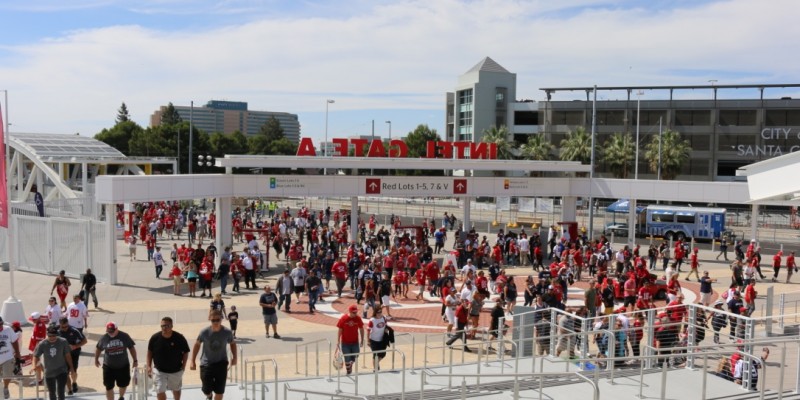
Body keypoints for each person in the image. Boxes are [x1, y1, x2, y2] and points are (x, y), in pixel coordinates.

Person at [191, 311, 237, 400]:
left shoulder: (227, 332)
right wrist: (192, 361)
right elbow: (197, 344)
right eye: (213, 320)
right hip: (206, 364)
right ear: (210, 320)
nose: (215, 322)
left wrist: (235, 357)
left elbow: (232, 343)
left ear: (221, 320)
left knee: (219, 391)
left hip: (222, 363)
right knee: (206, 389)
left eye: (218, 320)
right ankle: (209, 395)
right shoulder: (204, 332)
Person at [147, 317, 190, 400]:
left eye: (167, 326)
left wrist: (183, 366)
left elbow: (186, 352)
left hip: (176, 370)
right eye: (162, 326)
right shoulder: (154, 338)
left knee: (176, 389)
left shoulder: (179, 338)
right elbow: (149, 352)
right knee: (159, 390)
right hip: (159, 371)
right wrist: (149, 366)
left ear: (172, 326)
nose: (164, 328)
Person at [94, 322, 137, 400]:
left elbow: (131, 348)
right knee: (108, 386)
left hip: (123, 365)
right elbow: (98, 348)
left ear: (117, 329)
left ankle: (121, 397)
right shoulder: (104, 338)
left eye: (112, 331)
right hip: (108, 366)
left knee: (123, 384)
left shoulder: (124, 336)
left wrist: (135, 360)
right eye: (109, 331)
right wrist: (96, 359)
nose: (111, 333)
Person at [33, 324, 75, 400]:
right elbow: (35, 356)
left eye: (54, 336)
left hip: (61, 370)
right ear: (47, 335)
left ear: (57, 334)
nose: (52, 338)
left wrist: (71, 368)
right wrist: (34, 366)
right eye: (50, 336)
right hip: (49, 372)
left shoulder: (63, 341)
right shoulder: (42, 343)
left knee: (61, 392)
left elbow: (68, 355)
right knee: (52, 393)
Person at [56, 317, 87, 396]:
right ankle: (69, 390)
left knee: (73, 371)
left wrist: (75, 346)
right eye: (63, 327)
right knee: (65, 373)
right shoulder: (57, 332)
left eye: (66, 326)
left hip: (74, 353)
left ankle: (74, 382)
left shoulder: (74, 330)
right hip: (63, 355)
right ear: (60, 325)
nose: (65, 328)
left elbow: (84, 341)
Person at [336, 304, 366, 375]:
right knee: (347, 358)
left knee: (356, 355)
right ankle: (348, 371)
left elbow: (361, 329)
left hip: (355, 342)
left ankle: (350, 363)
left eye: (356, 312)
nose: (355, 314)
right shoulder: (343, 318)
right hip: (345, 342)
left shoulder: (358, 318)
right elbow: (340, 330)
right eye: (354, 312)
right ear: (350, 311)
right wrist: (338, 341)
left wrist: (362, 340)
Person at [0, 316, 22, 400]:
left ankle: (5, 387)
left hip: (7, 357)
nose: (0, 326)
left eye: (1, 324)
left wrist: (17, 353)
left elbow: (14, 341)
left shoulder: (8, 329)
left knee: (7, 374)